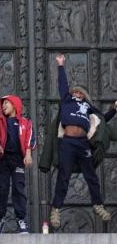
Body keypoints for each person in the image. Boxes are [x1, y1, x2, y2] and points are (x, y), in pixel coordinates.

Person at [49, 54, 114, 229]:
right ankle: (56, 209)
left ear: (84, 96)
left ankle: (98, 205)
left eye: (80, 93)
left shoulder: (88, 107)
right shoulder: (67, 100)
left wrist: (114, 109)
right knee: (64, 176)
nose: (77, 94)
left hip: (82, 143)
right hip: (68, 142)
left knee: (91, 175)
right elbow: (63, 85)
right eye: (75, 92)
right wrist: (60, 65)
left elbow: (102, 120)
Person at [0, 95, 36, 234]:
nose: (3, 106)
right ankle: (0, 219)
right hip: (4, 159)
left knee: (18, 188)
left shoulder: (25, 122)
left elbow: (30, 138)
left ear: (15, 105)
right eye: (3, 104)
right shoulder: (0, 122)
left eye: (6, 103)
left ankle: (21, 219)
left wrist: (28, 154)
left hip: (18, 159)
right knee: (3, 189)